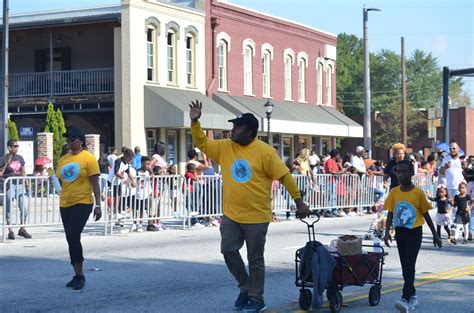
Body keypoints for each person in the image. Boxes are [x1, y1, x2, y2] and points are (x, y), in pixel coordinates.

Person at [189, 100, 310, 312]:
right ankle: (245, 286)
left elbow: (284, 176)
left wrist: (298, 200)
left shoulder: (265, 152)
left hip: (256, 217)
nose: (232, 130)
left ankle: (257, 298)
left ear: (250, 132)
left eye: (238, 127)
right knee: (228, 250)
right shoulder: (226, 147)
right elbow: (203, 144)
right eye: (233, 126)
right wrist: (195, 122)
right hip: (231, 215)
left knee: (255, 260)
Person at [384, 160, 441, 312]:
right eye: (398, 172)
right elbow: (390, 212)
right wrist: (386, 232)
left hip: (414, 233)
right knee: (405, 267)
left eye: (404, 172)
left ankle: (405, 298)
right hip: (400, 232)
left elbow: (426, 215)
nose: (400, 175)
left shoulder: (418, 193)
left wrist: (435, 235)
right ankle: (413, 296)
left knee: (410, 265)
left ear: (411, 173)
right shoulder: (394, 192)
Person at [57, 127, 101, 290]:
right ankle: (76, 274)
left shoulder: (88, 158)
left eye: (72, 138)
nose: (68, 141)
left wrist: (98, 205)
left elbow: (95, 183)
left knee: (73, 234)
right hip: (65, 203)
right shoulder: (63, 159)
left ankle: (81, 275)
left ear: (80, 141)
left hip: (83, 202)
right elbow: (61, 180)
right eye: (67, 138)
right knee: (70, 238)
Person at [0, 139, 31, 240]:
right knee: (9, 207)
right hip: (9, 185)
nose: (17, 148)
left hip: (20, 184)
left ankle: (22, 229)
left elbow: (23, 171)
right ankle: (10, 230)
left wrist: (27, 184)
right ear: (9, 147)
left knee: (24, 207)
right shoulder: (3, 159)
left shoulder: (20, 158)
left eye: (17, 146)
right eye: (15, 146)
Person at [439, 141, 464, 223]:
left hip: (459, 187)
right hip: (450, 186)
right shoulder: (446, 159)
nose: (452, 150)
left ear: (458, 148)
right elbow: (441, 171)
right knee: (451, 206)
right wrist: (446, 167)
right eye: (450, 148)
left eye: (453, 148)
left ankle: (456, 225)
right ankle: (455, 224)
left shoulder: (461, 159)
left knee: (458, 206)